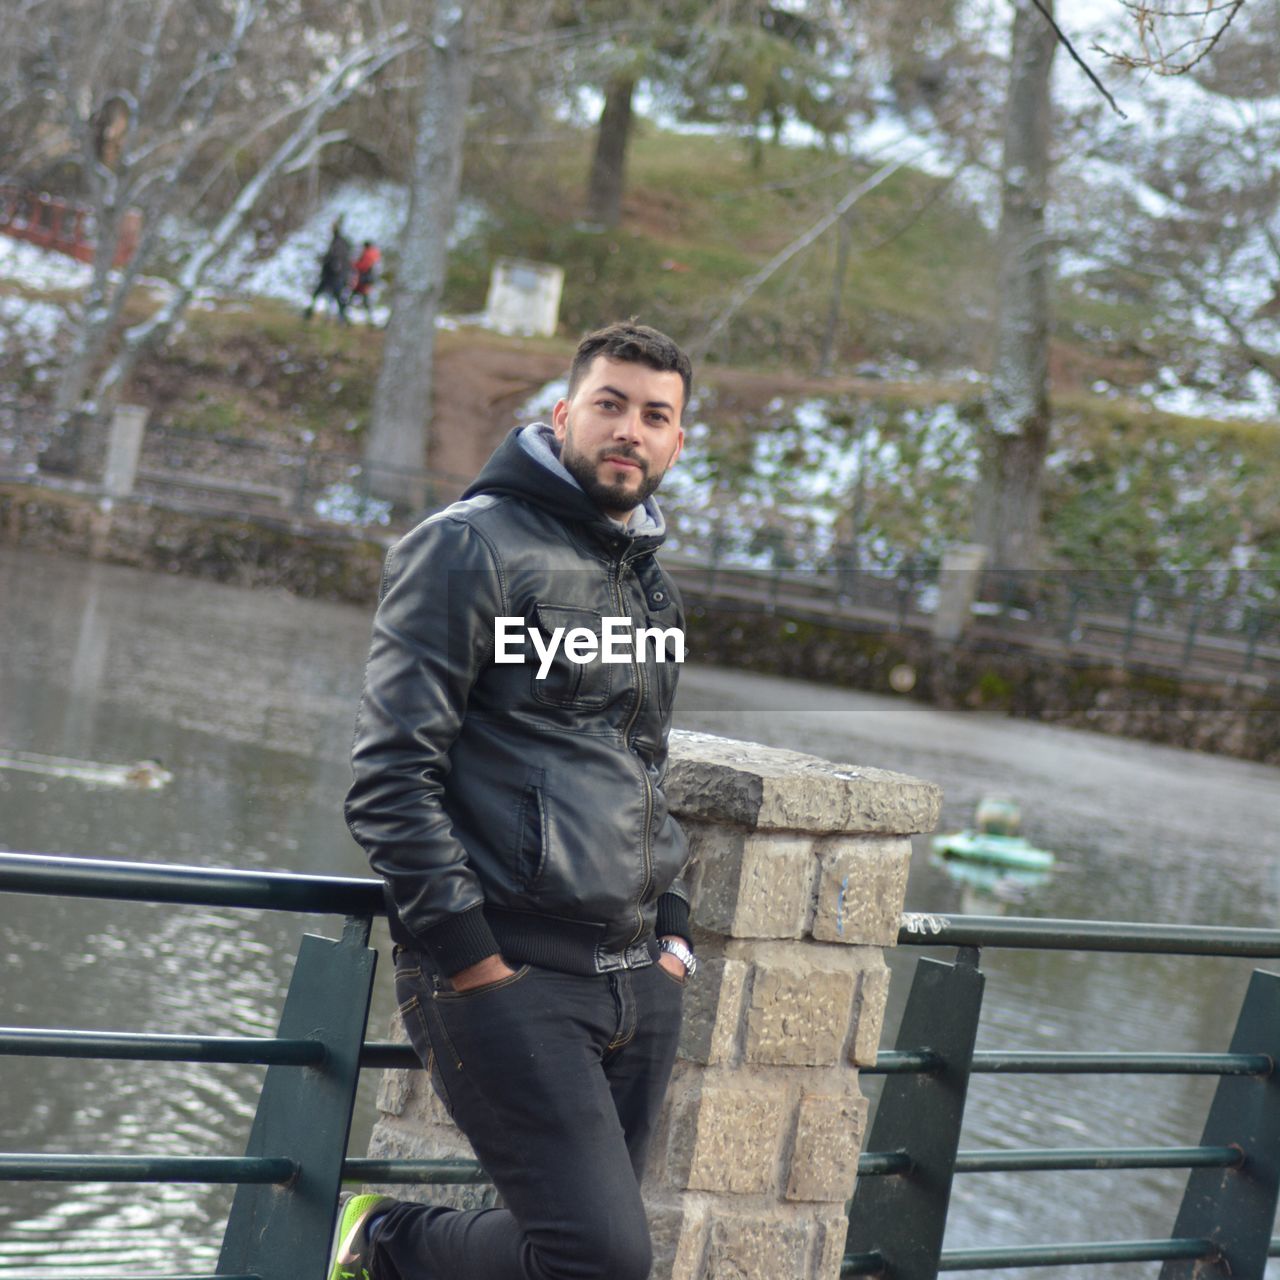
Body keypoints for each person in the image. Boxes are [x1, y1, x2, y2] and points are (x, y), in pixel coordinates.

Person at [335, 321, 697, 1280]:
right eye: (610, 405)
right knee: (602, 1261)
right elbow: (388, 778)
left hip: (633, 977)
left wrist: (675, 930)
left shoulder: (650, 588)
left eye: (655, 416)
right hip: (508, 972)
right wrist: (470, 959)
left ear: (676, 442)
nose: (630, 430)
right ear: (563, 412)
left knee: (568, 1261)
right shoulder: (465, 548)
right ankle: (385, 1241)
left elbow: (648, 766)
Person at [305, 220, 352, 322]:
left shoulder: (338, 243)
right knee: (330, 296)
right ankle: (311, 313)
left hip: (334, 275)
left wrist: (327, 262)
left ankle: (340, 319)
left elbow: (335, 258)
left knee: (334, 296)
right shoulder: (339, 242)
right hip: (333, 275)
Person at [348, 239, 381, 317]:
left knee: (360, 295)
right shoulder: (376, 254)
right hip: (368, 279)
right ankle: (370, 315)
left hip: (364, 279)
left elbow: (363, 265)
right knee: (364, 296)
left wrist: (353, 265)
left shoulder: (368, 254)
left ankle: (346, 311)